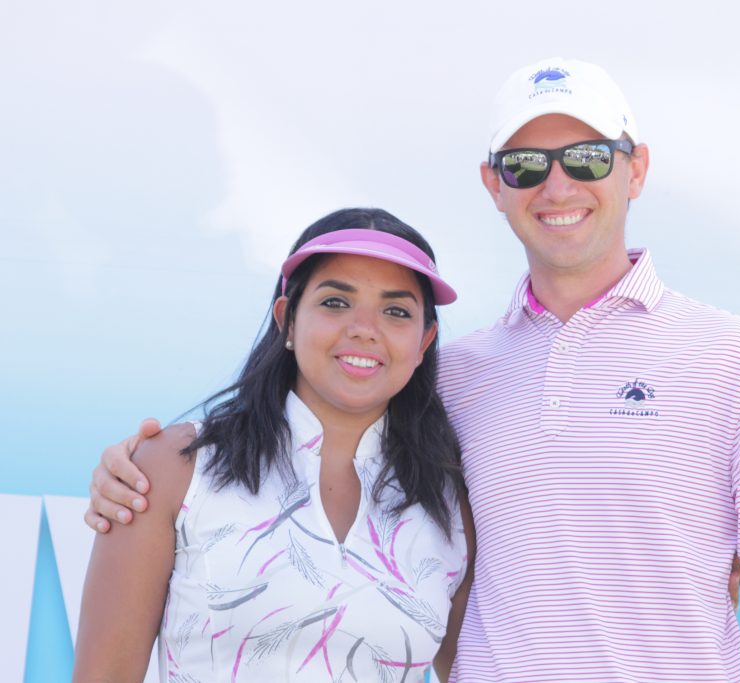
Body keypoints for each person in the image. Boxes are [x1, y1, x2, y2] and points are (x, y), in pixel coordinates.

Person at [85, 58, 740, 682]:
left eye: (587, 157)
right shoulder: (451, 381)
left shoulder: (735, 358)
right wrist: (136, 466)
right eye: (526, 164)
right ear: (495, 185)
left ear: (635, 170)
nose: (557, 185)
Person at [73, 208, 472, 683]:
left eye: (396, 311)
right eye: (335, 302)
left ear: (424, 340)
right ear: (287, 319)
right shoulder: (175, 467)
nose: (364, 328)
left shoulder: (451, 507)